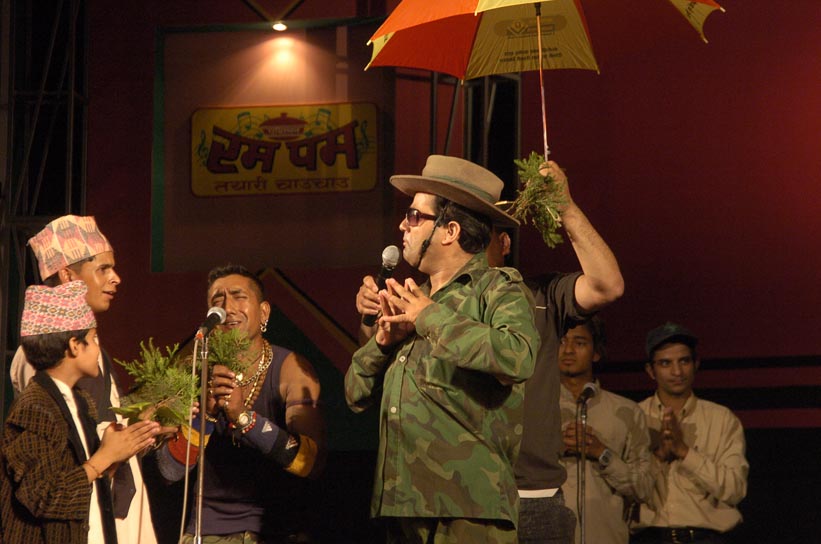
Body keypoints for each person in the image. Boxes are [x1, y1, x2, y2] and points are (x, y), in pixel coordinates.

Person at [356, 160, 624, 543]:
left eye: (489, 230)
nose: (479, 240)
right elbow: (371, 386)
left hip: (521, 493)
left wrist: (565, 207)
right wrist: (374, 324)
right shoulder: (421, 299)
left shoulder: (536, 295)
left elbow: (606, 285)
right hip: (437, 494)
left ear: (503, 242)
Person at [346, 155, 540, 542]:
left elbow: (518, 356)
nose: (403, 225)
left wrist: (430, 317)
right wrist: (382, 344)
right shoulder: (412, 299)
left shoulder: (496, 289)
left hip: (468, 509)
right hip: (401, 506)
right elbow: (354, 394)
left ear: (450, 230)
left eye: (414, 216)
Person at [8, 214, 158, 544]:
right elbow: (52, 469)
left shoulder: (92, 355)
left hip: (113, 510)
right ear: (67, 276)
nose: (116, 278)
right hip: (76, 517)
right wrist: (107, 454)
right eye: (103, 269)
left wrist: (141, 428)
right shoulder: (41, 359)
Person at [156, 264, 326, 543]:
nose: (227, 308)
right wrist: (205, 416)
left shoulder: (291, 369)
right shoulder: (192, 371)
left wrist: (244, 417)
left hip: (274, 530)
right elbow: (169, 472)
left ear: (264, 312)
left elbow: (313, 463)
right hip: (205, 531)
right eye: (217, 300)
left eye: (239, 296)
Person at [631, 322, 748, 544]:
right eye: (665, 363)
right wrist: (659, 456)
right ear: (650, 370)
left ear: (696, 364)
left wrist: (685, 452)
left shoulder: (722, 419)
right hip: (650, 537)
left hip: (707, 538)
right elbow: (627, 488)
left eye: (684, 361)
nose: (677, 372)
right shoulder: (635, 417)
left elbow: (735, 489)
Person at [557, 317, 655, 544]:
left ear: (596, 352)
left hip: (604, 535)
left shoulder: (626, 411)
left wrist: (602, 453)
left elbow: (644, 488)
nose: (568, 350)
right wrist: (553, 447)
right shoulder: (533, 407)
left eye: (579, 343)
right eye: (561, 342)